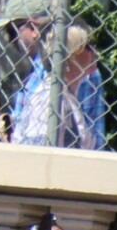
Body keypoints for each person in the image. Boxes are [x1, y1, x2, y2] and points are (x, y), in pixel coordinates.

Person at [10, 16, 106, 150]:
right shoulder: (50, 97)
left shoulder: (67, 95)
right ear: (67, 59)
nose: (95, 52)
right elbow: (38, 155)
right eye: (87, 46)